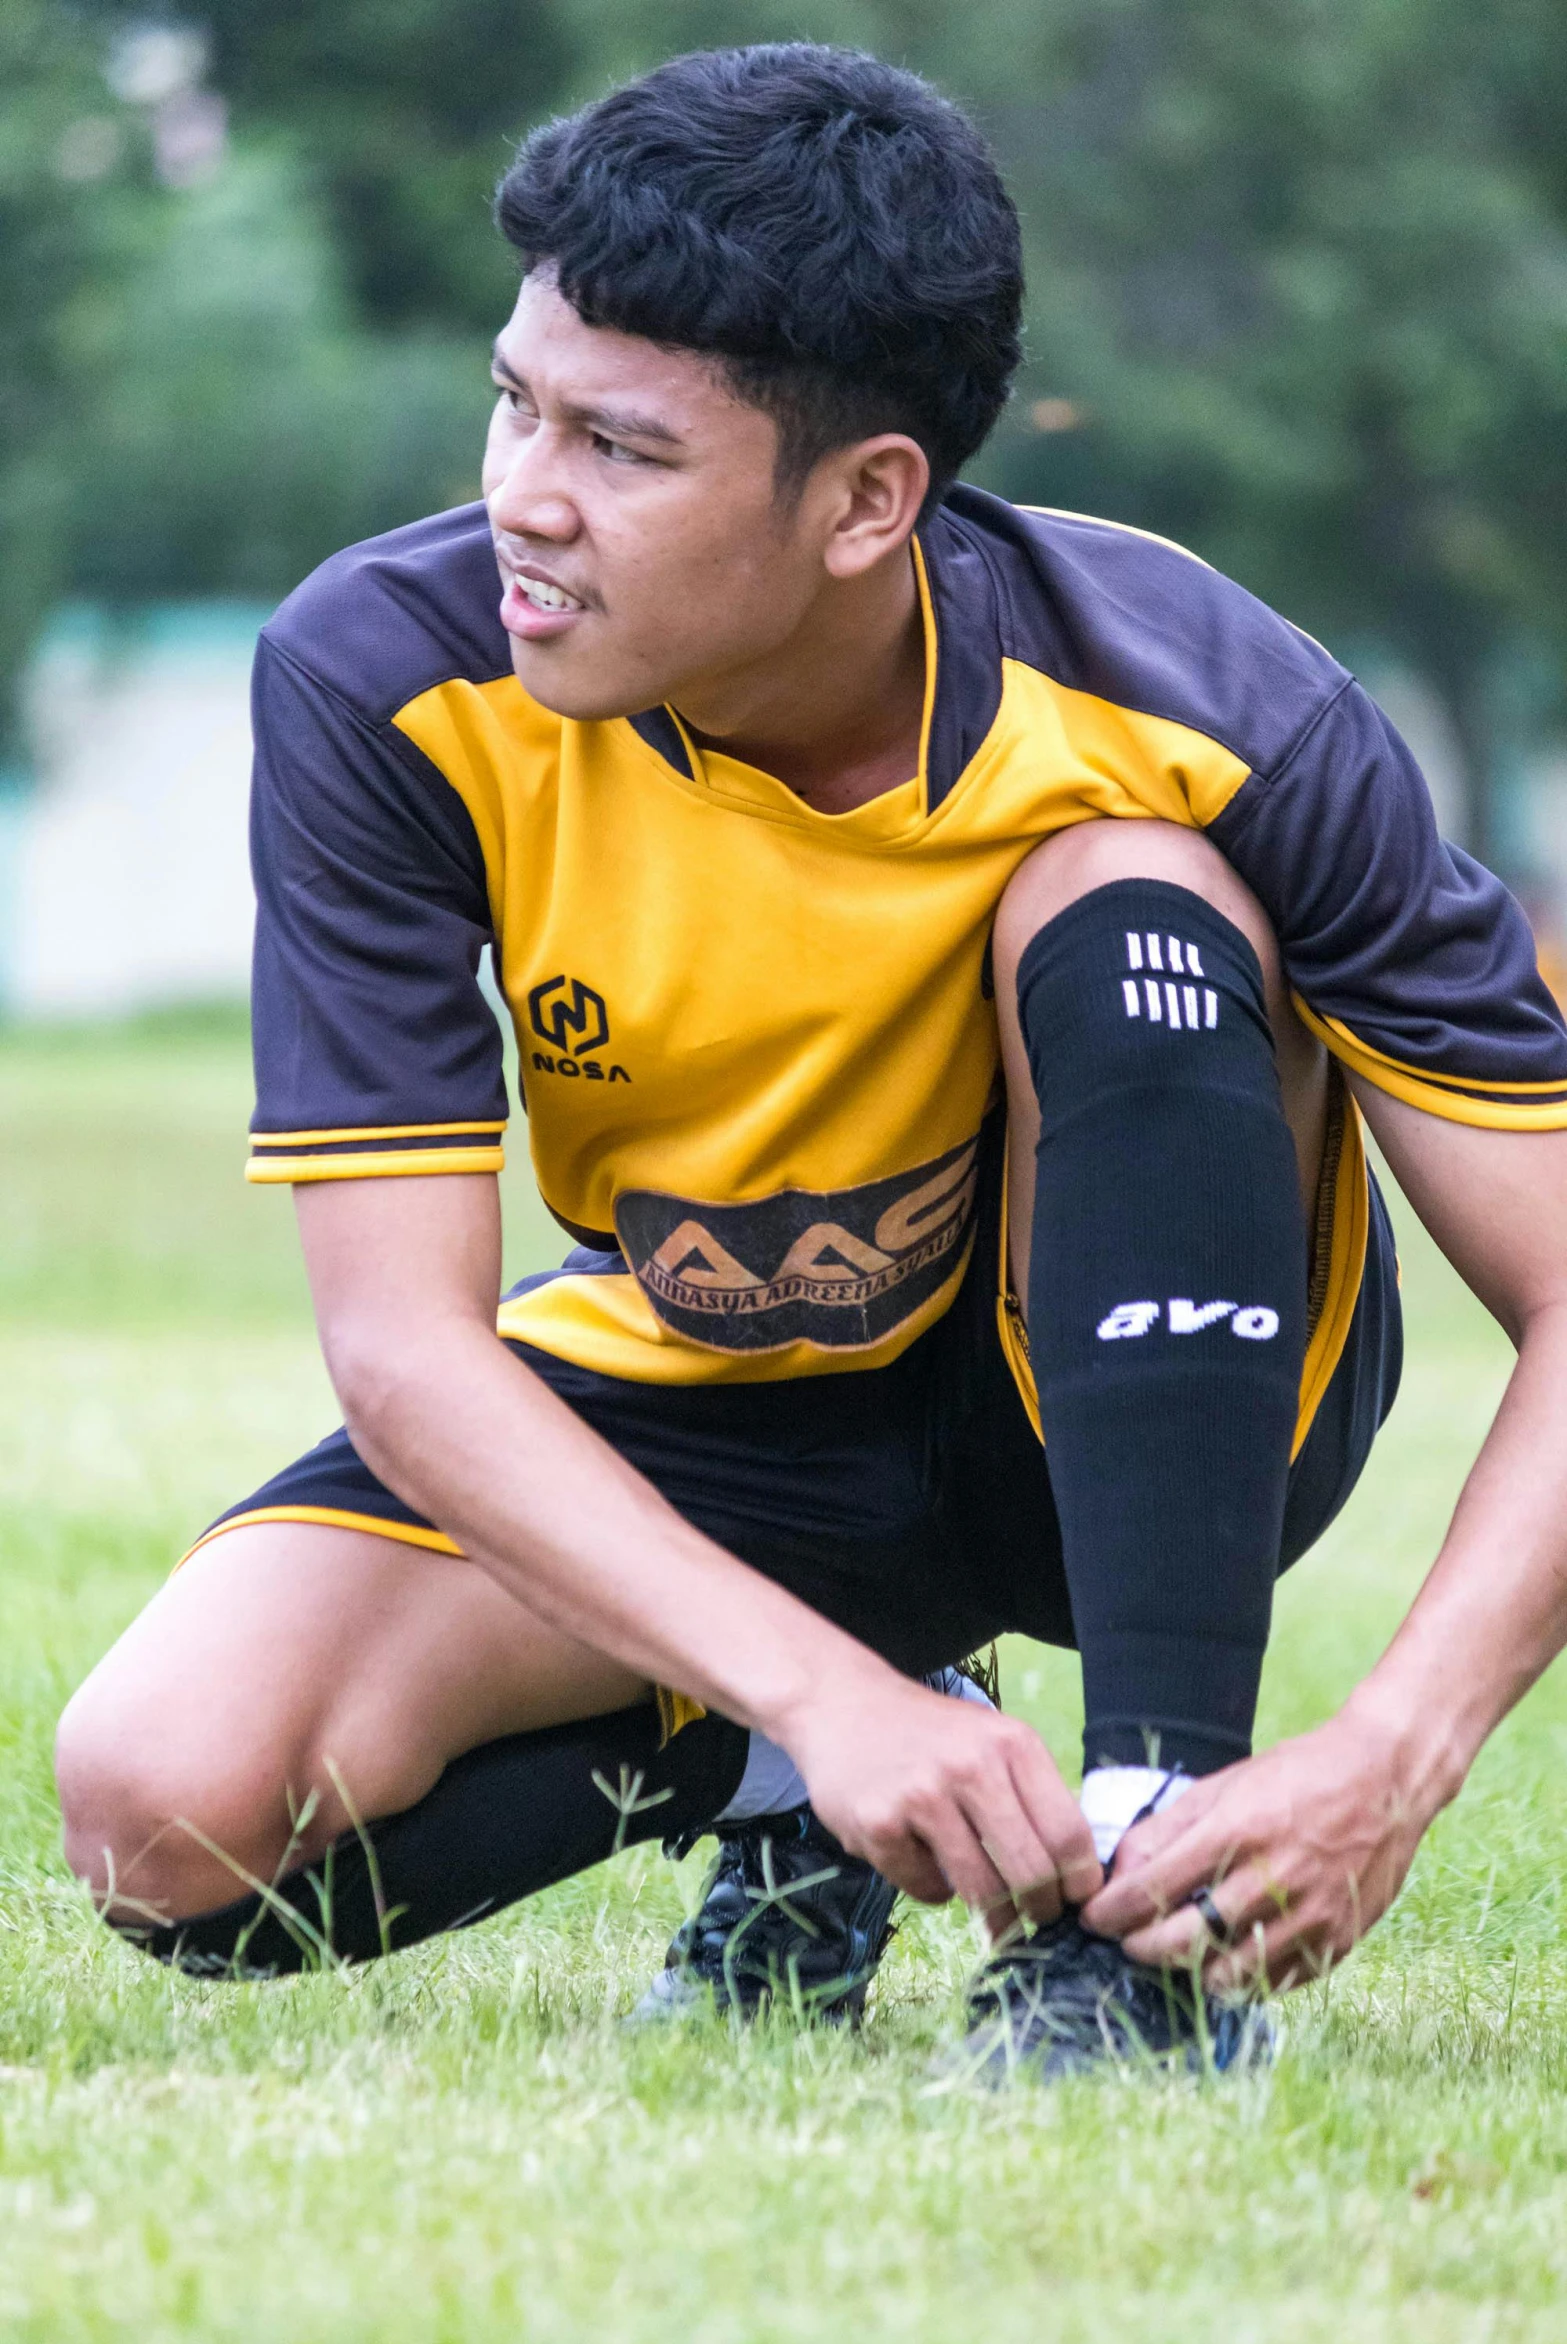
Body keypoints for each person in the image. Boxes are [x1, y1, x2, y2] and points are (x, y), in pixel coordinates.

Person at [54, 43, 1567, 2080]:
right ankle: (779, 1778)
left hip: (1129, 1402)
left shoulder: (1209, 697)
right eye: (515, 400)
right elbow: (407, 1350)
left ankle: (1144, 1904)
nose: (525, 493)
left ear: (869, 500)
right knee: (168, 1806)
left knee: (1126, 884)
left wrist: (1399, 1746)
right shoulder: (385, 673)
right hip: (727, 1398)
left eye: (623, 445)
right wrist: (818, 1691)